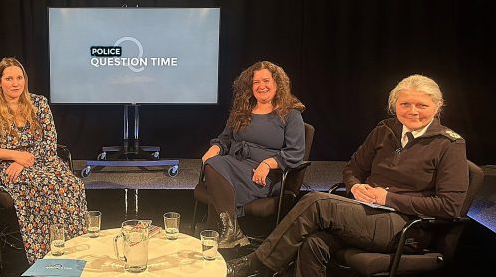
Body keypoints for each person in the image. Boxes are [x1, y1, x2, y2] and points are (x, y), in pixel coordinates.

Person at [227, 74, 469, 277]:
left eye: (421, 105)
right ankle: (263, 265)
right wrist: (354, 188)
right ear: (394, 105)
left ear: (438, 107)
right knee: (314, 244)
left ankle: (257, 265)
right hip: (365, 213)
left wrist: (387, 199)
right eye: (405, 104)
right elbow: (352, 169)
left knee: (316, 201)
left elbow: (450, 207)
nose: (412, 111)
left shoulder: (449, 144)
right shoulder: (385, 130)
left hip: (406, 227)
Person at [0, 57, 88, 263]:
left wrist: (25, 159)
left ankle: (75, 246)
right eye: (9, 78)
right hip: (3, 168)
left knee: (73, 185)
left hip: (42, 160)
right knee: (47, 186)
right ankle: (46, 254)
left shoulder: (39, 103)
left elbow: (50, 141)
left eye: (19, 77)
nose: (15, 83)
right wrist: (15, 156)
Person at [201, 61, 306, 248]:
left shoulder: (290, 114)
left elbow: (295, 153)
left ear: (277, 84)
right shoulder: (242, 111)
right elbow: (225, 139)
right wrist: (215, 148)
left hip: (265, 176)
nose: (261, 86)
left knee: (216, 175)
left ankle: (219, 236)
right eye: (256, 82)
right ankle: (230, 233)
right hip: (236, 165)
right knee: (214, 163)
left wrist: (267, 164)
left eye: (266, 80)